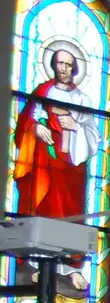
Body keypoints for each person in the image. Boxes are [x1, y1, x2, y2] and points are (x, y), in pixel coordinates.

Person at [12, 45, 99, 219]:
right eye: (60, 63)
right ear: (53, 65)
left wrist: (75, 126)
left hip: (71, 168)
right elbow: (25, 122)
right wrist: (36, 128)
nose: (64, 68)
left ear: (74, 69)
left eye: (68, 65)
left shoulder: (82, 99)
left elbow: (93, 136)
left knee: (68, 210)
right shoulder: (42, 92)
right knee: (43, 202)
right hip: (44, 163)